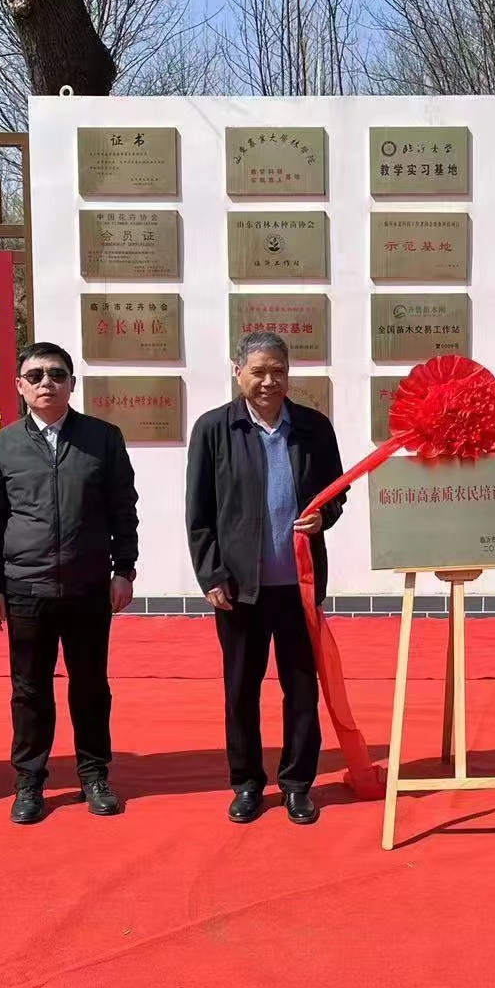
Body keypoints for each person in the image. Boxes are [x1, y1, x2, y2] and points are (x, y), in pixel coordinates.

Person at [186, 332, 347, 825]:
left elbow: (336, 493)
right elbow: (199, 513)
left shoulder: (313, 427)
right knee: (241, 690)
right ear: (238, 372)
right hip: (239, 588)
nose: (268, 381)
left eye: (278, 371)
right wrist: (211, 574)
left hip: (299, 584)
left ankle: (298, 784)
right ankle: (247, 783)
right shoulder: (214, 429)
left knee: (301, 689)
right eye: (258, 371)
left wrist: (324, 516)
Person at [0, 342, 139, 825]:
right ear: (19, 386)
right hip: (26, 588)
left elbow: (123, 509)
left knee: (90, 686)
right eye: (35, 375)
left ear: (72, 383)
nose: (46, 382)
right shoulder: (1, 445)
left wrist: (124, 570)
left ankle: (94, 775)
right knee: (29, 690)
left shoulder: (102, 438)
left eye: (56, 374)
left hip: (88, 586)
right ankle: (29, 780)